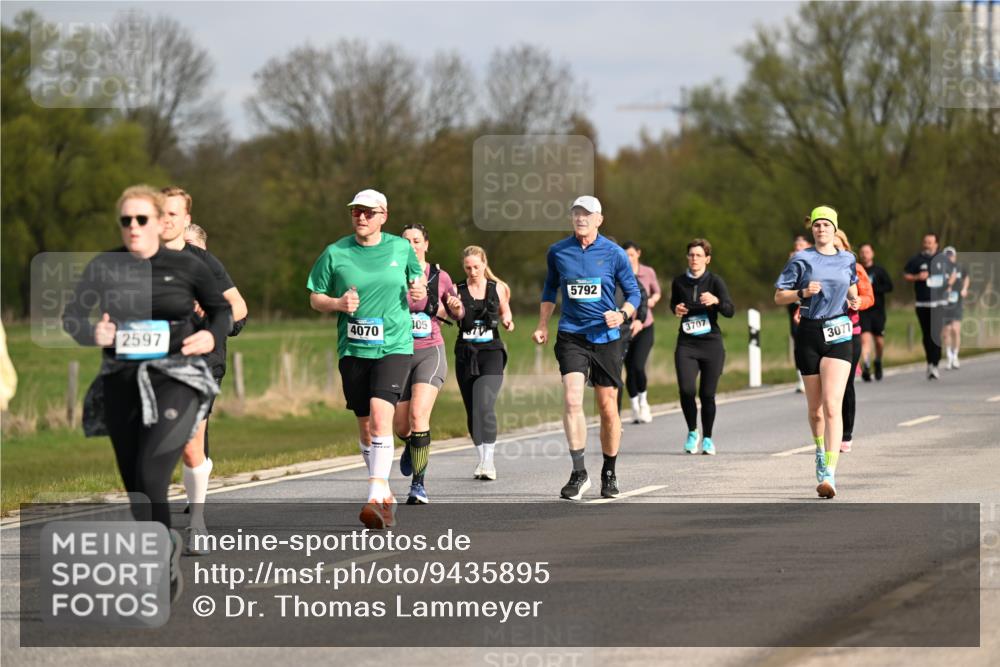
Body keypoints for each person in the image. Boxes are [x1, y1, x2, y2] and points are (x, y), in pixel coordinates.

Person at [62, 185, 232, 598]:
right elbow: (71, 317)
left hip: (177, 378)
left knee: (153, 473)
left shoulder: (189, 266)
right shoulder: (104, 266)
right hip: (122, 380)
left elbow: (224, 311)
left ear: (159, 222)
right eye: (126, 220)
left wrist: (211, 337)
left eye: (142, 219)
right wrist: (92, 332)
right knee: (137, 484)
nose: (134, 227)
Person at [307, 189, 425, 529]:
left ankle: (374, 495)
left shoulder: (400, 248)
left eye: (369, 212)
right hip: (354, 349)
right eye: (356, 211)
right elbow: (316, 296)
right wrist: (337, 304)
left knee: (379, 416)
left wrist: (419, 290)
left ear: (383, 216)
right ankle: (385, 493)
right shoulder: (335, 252)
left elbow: (417, 283)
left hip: (395, 345)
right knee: (365, 427)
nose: (361, 217)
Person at [532, 196, 641, 500]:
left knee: (607, 407)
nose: (581, 218)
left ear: (599, 220)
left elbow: (634, 293)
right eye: (576, 213)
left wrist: (621, 314)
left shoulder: (614, 253)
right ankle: (579, 472)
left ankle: (609, 470)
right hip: (572, 335)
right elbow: (549, 289)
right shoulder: (558, 252)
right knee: (572, 399)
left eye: (587, 214)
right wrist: (542, 324)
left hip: (606, 338)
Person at [160, 186, 249, 555]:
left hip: (199, 364)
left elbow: (239, 309)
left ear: (186, 220)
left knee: (189, 443)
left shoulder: (204, 262)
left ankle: (196, 522)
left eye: (173, 214)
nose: (165, 221)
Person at [775, 205, 860, 499]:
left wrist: (855, 300)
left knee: (831, 403)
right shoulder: (801, 259)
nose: (821, 229)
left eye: (826, 225)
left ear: (835, 229)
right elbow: (778, 295)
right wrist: (801, 293)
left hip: (839, 332)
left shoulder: (848, 259)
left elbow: (851, 288)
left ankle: (830, 474)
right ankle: (820, 450)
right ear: (812, 230)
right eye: (817, 225)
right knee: (815, 410)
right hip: (809, 333)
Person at [393, 223, 464, 504]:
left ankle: (418, 485)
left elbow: (455, 308)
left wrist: (455, 307)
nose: (411, 245)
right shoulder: (391, 273)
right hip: (397, 354)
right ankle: (411, 444)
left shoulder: (439, 275)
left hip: (429, 352)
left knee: (419, 417)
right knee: (402, 427)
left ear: (426, 244)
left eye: (416, 240)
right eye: (406, 241)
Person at [453, 246, 513, 481]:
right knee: (472, 408)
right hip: (466, 353)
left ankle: (489, 461)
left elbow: (506, 312)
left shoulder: (498, 288)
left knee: (484, 404)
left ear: (484, 264)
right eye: (468, 267)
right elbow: (453, 316)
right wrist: (455, 309)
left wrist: (508, 321)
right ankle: (481, 458)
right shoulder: (457, 290)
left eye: (476, 266)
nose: (473, 271)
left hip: (491, 352)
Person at [670, 239, 734, 455]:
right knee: (686, 389)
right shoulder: (679, 281)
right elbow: (673, 304)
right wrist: (676, 308)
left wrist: (716, 301)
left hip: (711, 343)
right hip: (686, 343)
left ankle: (707, 438)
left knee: (707, 394)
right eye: (691, 255)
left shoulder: (715, 281)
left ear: (707, 258)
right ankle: (692, 431)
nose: (694, 259)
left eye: (698, 255)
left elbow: (729, 310)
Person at [831, 230, 874, 454]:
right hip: (823, 331)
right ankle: (830, 430)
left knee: (845, 383)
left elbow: (870, 296)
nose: (835, 250)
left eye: (838, 246)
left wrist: (859, 301)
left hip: (850, 331)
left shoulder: (855, 268)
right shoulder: (818, 267)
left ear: (846, 247)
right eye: (831, 246)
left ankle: (846, 434)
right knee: (827, 387)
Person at [621, 241, 661, 423]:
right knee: (629, 369)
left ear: (638, 253)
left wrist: (652, 300)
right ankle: (634, 407)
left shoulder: (648, 272)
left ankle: (644, 403)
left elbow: (657, 292)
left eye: (631, 254)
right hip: (625, 328)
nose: (628, 258)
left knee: (638, 366)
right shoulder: (619, 273)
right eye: (625, 255)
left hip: (645, 326)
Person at [903, 233, 950, 380]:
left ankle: (935, 364)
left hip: (939, 303)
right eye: (925, 242)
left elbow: (953, 275)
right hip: (922, 302)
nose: (927, 245)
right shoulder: (916, 259)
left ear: (936, 244)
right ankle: (930, 362)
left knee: (935, 334)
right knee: (926, 335)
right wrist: (917, 277)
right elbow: (906, 274)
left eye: (930, 242)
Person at [857, 243, 893, 382]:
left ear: (872, 254)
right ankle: (866, 364)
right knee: (865, 340)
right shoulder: (857, 270)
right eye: (862, 252)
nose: (865, 254)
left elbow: (889, 286)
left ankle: (877, 361)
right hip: (863, 310)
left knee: (878, 341)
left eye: (867, 252)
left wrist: (873, 288)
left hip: (878, 310)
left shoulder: (879, 271)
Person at [789, 231, 812, 393]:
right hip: (795, 309)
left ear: (809, 247)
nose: (798, 248)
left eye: (801, 245)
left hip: (813, 309)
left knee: (813, 343)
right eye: (796, 245)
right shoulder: (791, 264)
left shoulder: (815, 261)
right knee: (798, 343)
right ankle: (801, 379)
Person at [941, 246, 970, 370]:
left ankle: (955, 356)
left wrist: (964, 289)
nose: (950, 258)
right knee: (946, 331)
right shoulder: (941, 269)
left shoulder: (960, 267)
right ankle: (948, 356)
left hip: (957, 302)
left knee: (955, 329)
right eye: (947, 256)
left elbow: (967, 278)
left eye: (951, 256)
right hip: (945, 303)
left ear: (955, 256)